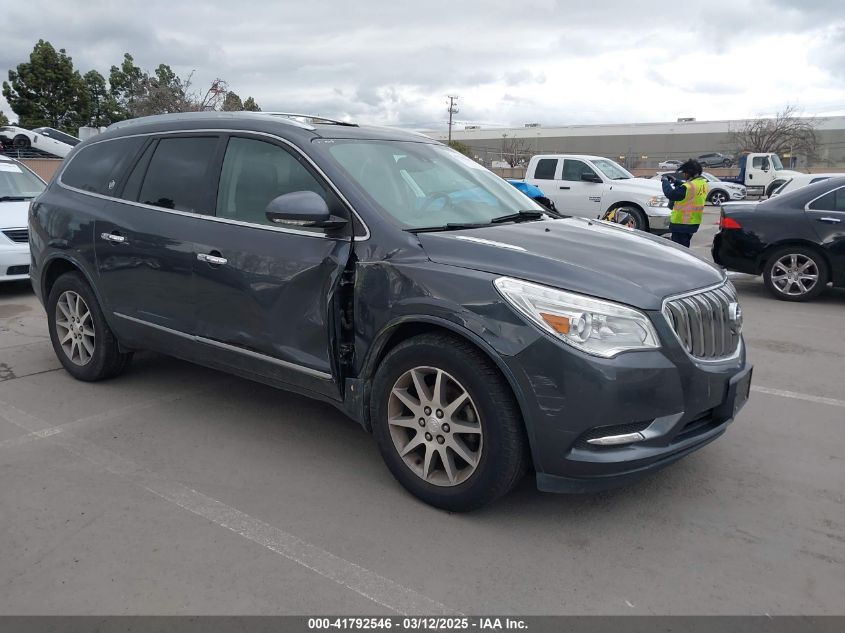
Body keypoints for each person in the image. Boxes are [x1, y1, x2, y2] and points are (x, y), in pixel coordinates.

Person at [661, 158, 708, 248]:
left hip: (681, 224)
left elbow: (671, 194)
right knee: (685, 247)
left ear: (689, 173)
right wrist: (676, 182)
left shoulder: (688, 187)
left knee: (679, 250)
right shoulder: (702, 183)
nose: (684, 175)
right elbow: (689, 191)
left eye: (685, 173)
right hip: (693, 223)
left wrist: (665, 181)